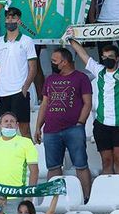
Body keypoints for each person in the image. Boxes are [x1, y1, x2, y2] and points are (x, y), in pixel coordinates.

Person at [69, 40, 119, 178]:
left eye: (110, 57)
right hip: (101, 124)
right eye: (104, 57)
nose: (107, 59)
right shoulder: (99, 71)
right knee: (106, 162)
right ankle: (107, 189)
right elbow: (82, 54)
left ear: (117, 58)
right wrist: (71, 39)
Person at [34, 48, 92, 200]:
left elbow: (87, 103)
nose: (52, 63)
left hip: (73, 129)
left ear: (64, 62)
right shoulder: (50, 79)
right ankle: (52, 200)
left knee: (81, 165)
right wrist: (38, 126)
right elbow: (44, 104)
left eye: (54, 61)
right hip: (51, 130)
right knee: (53, 167)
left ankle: (86, 198)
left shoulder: (81, 78)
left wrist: (80, 123)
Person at [0, 7, 37, 137]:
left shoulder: (27, 41)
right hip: (2, 92)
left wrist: (25, 88)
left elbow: (33, 67)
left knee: (25, 130)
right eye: (8, 17)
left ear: (19, 20)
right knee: (5, 132)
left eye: (14, 17)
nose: (10, 20)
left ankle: (29, 152)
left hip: (19, 91)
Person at [0, 112, 39, 212]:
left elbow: (34, 171)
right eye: (6, 121)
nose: (9, 123)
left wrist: (29, 196)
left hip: (15, 196)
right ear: (0, 126)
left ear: (17, 125)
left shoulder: (26, 142)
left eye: (12, 121)